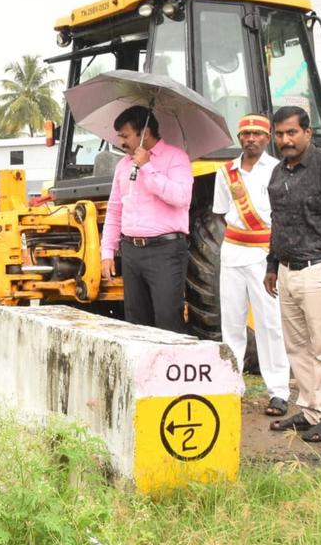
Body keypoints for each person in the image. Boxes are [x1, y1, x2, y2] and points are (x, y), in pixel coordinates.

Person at [264, 105, 321, 443]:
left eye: (291, 132)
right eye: (279, 134)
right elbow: (278, 222)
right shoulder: (278, 172)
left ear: (307, 132)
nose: (285, 139)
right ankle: (310, 411)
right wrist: (272, 265)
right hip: (288, 271)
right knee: (298, 348)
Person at [213, 114, 291, 415]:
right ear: (239, 137)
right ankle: (233, 385)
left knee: (270, 324)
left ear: (267, 138)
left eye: (257, 134)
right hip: (232, 252)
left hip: (264, 255)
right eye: (245, 133)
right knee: (230, 324)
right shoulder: (226, 172)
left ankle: (279, 391)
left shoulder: (277, 169)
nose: (251, 139)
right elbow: (221, 212)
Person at [100, 105, 194, 332]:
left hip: (165, 250)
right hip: (131, 251)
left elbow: (181, 197)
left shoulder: (176, 158)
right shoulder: (123, 165)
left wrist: (147, 167)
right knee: (136, 321)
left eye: (126, 136)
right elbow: (114, 209)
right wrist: (107, 252)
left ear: (145, 134)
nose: (121, 142)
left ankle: (171, 365)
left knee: (167, 317)